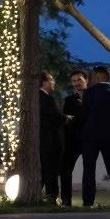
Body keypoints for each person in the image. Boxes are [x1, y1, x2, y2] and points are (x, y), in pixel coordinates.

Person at [81, 65, 110, 207]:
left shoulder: (89, 93)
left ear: (98, 76)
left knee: (89, 169)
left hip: (91, 136)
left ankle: (88, 202)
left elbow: (84, 114)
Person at [59, 68, 87, 206]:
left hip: (89, 140)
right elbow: (67, 121)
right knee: (65, 171)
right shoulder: (69, 100)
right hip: (72, 141)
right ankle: (66, 201)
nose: (76, 83)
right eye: (74, 81)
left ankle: (88, 202)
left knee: (89, 171)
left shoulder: (93, 97)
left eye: (79, 80)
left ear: (86, 80)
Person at [38, 71, 63, 201]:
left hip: (42, 141)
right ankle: (51, 197)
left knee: (44, 170)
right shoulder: (47, 99)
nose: (53, 82)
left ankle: (40, 196)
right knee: (51, 170)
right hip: (50, 140)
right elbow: (54, 118)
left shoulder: (35, 98)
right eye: (51, 80)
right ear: (43, 82)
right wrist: (66, 118)